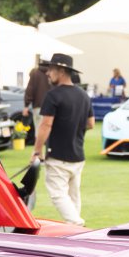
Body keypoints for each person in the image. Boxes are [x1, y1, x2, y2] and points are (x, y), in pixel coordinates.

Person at [30, 53, 95, 226]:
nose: (47, 73)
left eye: (50, 69)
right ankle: (77, 231)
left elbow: (45, 125)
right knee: (74, 196)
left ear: (61, 71)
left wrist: (37, 151)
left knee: (57, 194)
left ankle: (76, 224)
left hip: (58, 155)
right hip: (78, 155)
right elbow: (91, 124)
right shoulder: (83, 95)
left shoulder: (53, 95)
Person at [22, 57, 51, 147]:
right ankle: (47, 153)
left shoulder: (35, 73)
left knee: (39, 130)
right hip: (51, 107)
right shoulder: (52, 73)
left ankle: (39, 155)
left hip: (38, 106)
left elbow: (30, 90)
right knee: (49, 130)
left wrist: (26, 105)